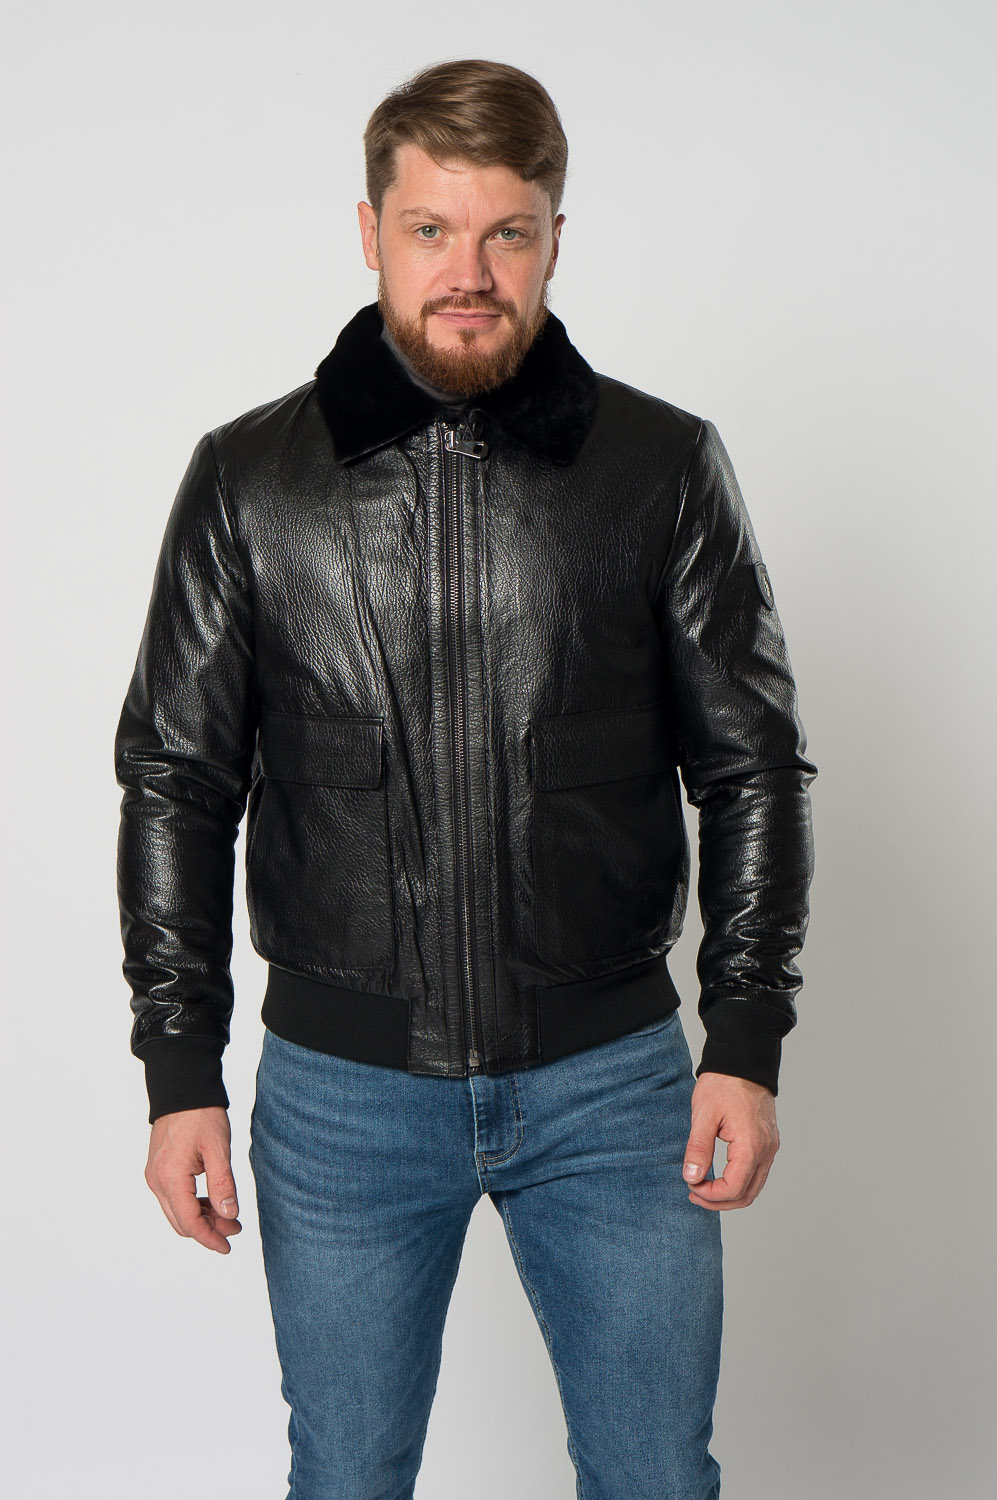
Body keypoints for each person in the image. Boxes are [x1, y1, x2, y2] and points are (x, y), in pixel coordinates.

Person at [115, 57, 816, 1500]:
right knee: (348, 1475)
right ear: (368, 232)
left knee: (655, 1475)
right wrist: (179, 1069)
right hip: (342, 1099)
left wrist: (744, 1038)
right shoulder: (248, 480)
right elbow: (177, 780)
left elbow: (750, 765)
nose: (469, 273)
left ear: (556, 237)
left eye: (508, 232)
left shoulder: (662, 465)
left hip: (615, 1089)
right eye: (430, 229)